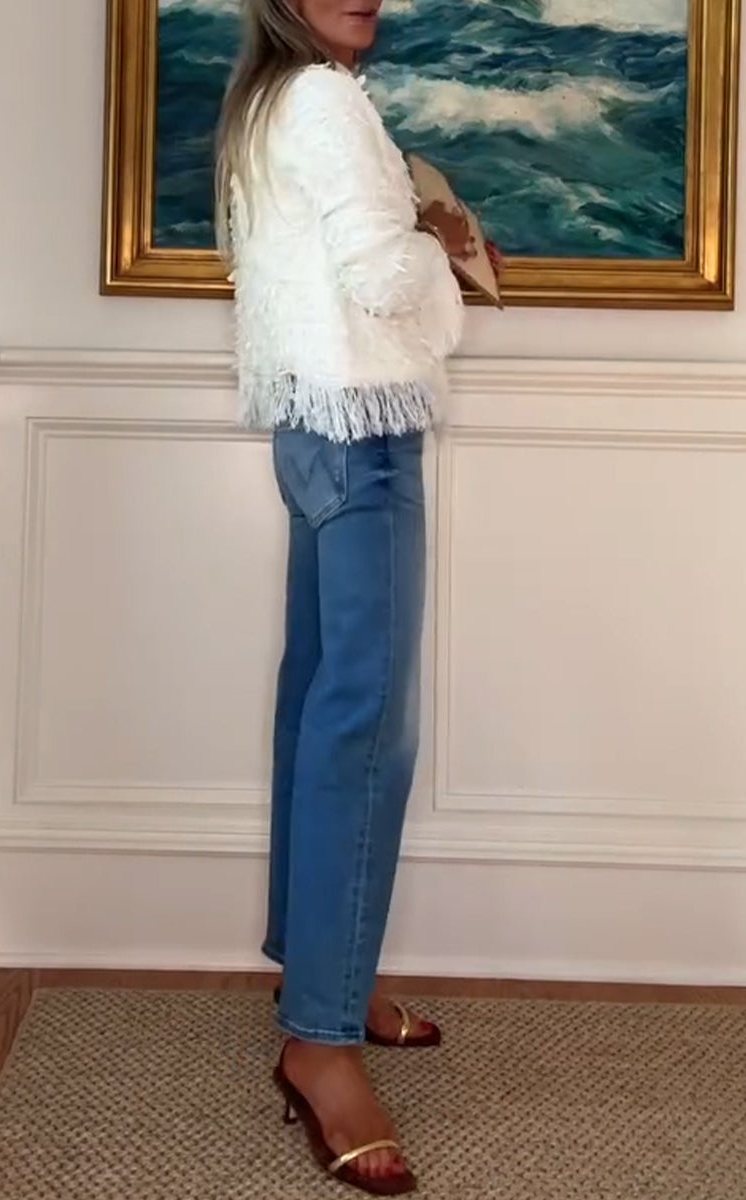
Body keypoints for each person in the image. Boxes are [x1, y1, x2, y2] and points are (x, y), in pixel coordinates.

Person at [216, 0, 500, 1192]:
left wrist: (413, 230)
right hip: (361, 435)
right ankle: (320, 1045)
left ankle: (320, 979)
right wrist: (439, 237)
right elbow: (383, 277)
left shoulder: (269, 99)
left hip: (313, 427)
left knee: (319, 709)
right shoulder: (325, 101)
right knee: (364, 726)